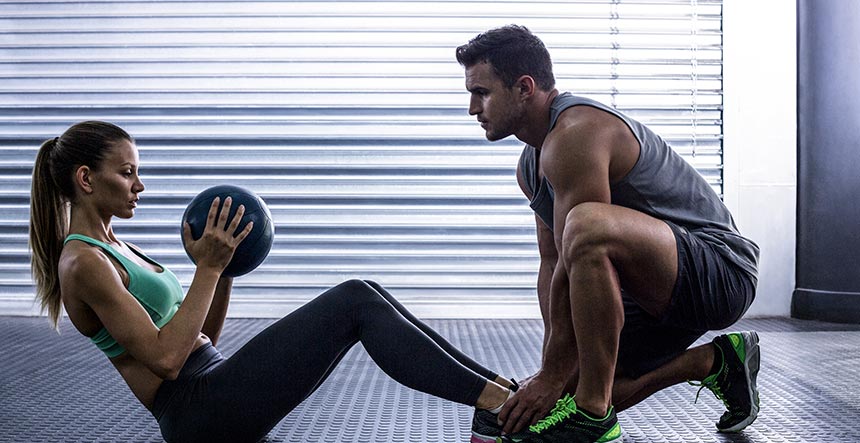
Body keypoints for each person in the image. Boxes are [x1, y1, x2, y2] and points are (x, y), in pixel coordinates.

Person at [29, 121, 518, 443]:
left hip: (214, 384)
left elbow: (201, 338)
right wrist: (208, 268)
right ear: (86, 179)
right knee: (354, 300)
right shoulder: (83, 262)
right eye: (127, 173)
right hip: (197, 412)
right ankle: (500, 407)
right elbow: (166, 359)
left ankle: (502, 391)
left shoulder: (117, 247)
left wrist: (224, 272)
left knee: (365, 292)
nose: (140, 185)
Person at [455, 25, 761, 442]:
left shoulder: (575, 132)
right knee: (563, 394)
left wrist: (551, 372)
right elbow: (552, 266)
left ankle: (593, 415)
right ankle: (716, 362)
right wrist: (552, 373)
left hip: (720, 272)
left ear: (524, 87)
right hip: (650, 291)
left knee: (585, 225)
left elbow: (582, 243)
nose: (473, 108)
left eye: (482, 93)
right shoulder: (530, 166)